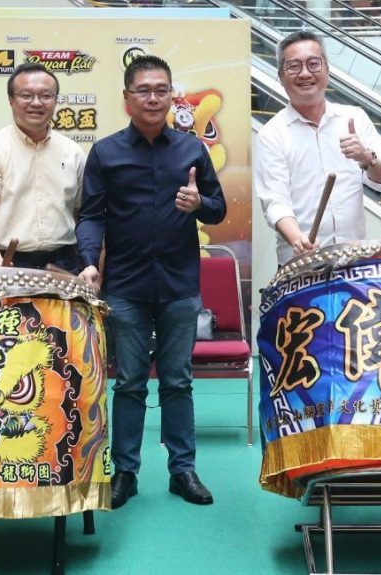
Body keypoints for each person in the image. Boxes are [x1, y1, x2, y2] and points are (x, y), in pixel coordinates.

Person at [76, 55, 227, 509]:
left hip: (179, 284)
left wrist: (199, 203)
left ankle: (183, 471)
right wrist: (89, 262)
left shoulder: (191, 150)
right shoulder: (105, 152)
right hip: (125, 286)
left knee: (178, 380)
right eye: (143, 90)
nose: (153, 98)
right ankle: (126, 471)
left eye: (161, 90)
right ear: (127, 98)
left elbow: (217, 208)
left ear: (170, 96)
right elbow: (91, 215)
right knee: (129, 383)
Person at [256, 30, 381, 265]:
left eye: (313, 64)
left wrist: (367, 158)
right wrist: (297, 240)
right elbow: (275, 202)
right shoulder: (272, 134)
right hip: (301, 265)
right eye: (294, 66)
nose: (305, 73)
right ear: (280, 76)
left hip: (354, 260)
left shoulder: (354, 117)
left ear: (327, 70)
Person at [0, 63, 85, 272]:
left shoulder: (73, 152)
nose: (36, 103)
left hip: (63, 262)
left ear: (56, 100)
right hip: (7, 262)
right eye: (26, 95)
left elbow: (81, 214)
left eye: (46, 96)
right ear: (11, 100)